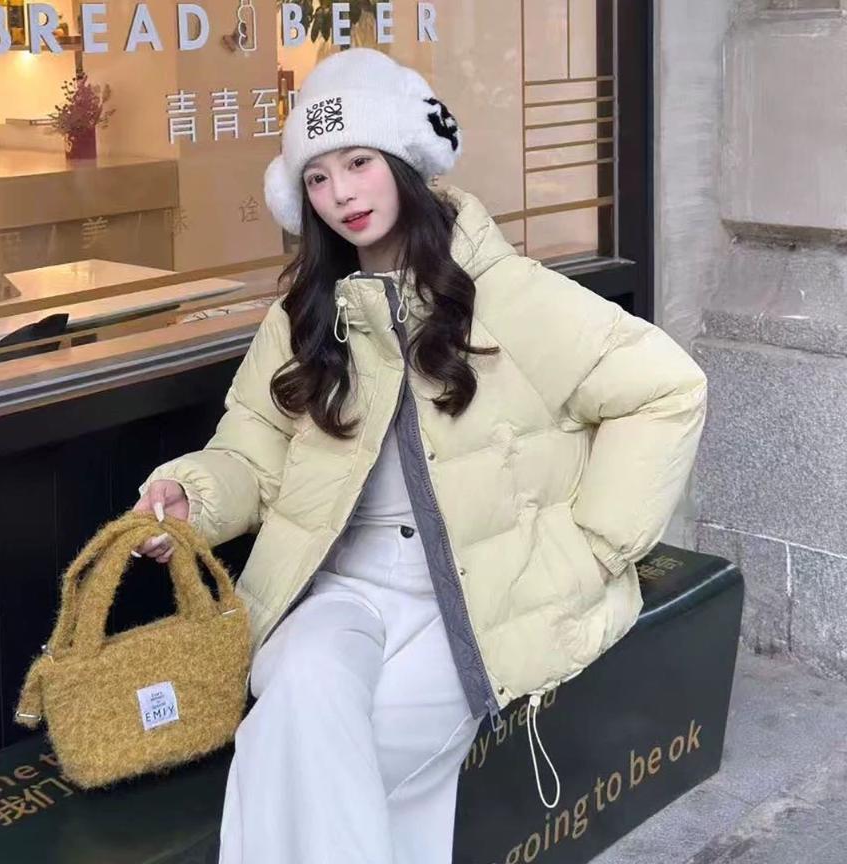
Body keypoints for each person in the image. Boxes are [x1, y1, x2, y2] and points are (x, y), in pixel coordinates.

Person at [132, 48, 708, 864]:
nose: (341, 194)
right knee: (296, 696)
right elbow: (251, 451)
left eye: (359, 163)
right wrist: (193, 496)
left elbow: (667, 389)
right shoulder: (305, 315)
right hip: (335, 586)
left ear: (404, 160)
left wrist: (590, 549)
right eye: (318, 177)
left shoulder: (506, 293)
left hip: (468, 598)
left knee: (330, 761)